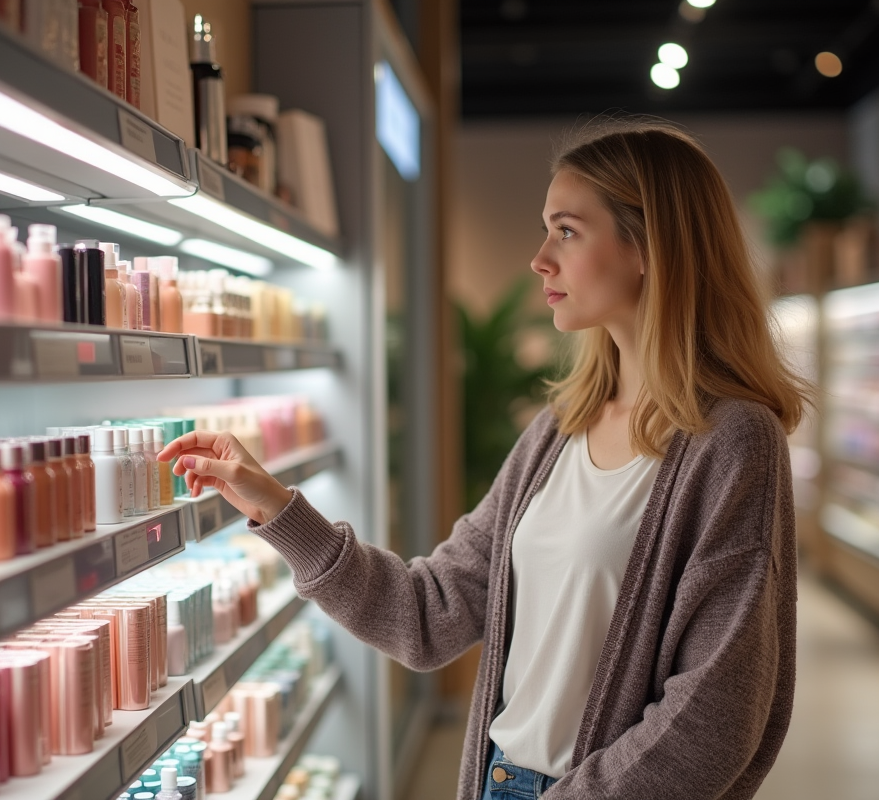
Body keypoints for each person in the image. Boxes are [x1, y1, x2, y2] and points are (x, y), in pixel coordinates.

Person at [159, 119, 811, 800]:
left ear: (649, 246)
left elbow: (717, 716)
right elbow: (427, 613)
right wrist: (277, 507)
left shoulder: (732, 440)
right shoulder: (559, 430)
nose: (539, 259)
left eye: (566, 230)